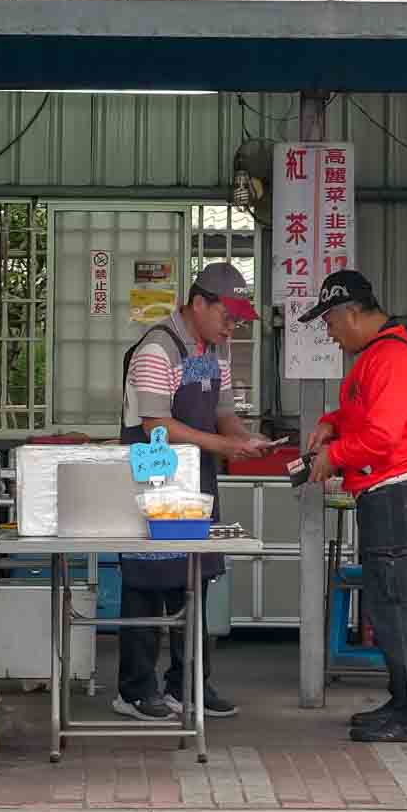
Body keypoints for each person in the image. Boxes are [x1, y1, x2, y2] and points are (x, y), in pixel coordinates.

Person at [114, 262, 273, 723]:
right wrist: (227, 446)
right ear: (198, 302)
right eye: (228, 315)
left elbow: (223, 413)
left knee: (194, 580)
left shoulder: (214, 351)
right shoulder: (157, 349)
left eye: (239, 318)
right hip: (153, 477)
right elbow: (156, 423)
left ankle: (187, 683)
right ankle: (135, 688)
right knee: (146, 584)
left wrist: (245, 439)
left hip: (196, 479)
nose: (233, 325)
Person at [301, 270, 407, 743]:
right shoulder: (377, 355)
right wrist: (330, 423)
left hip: (398, 491)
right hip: (389, 492)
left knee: (397, 607)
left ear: (352, 313)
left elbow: (382, 436)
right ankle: (401, 703)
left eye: (331, 322)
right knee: (385, 606)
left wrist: (333, 455)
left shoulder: (390, 357)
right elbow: (366, 415)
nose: (330, 332)